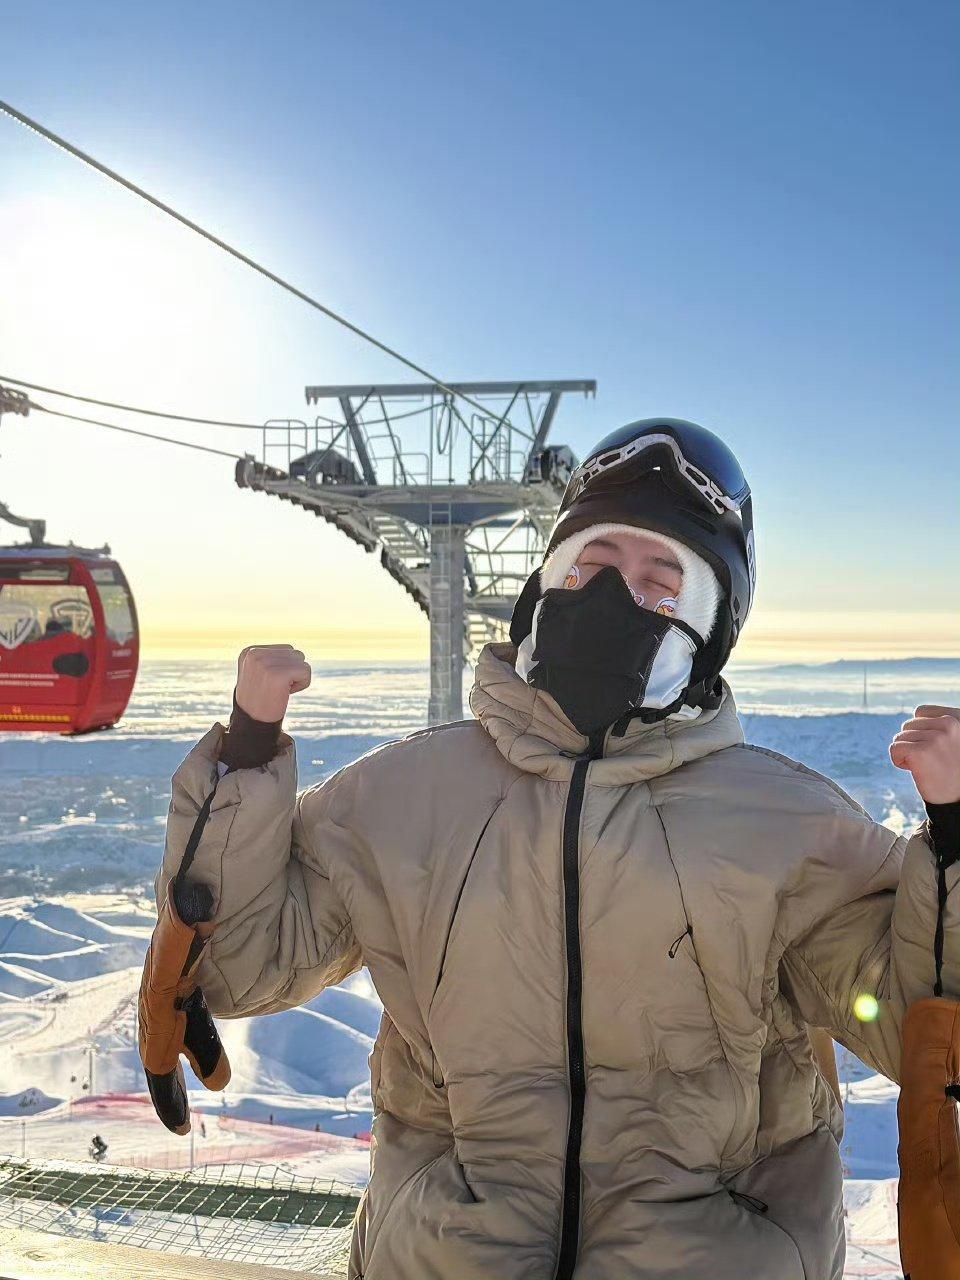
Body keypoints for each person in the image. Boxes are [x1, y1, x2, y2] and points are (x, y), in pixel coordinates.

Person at [153, 418, 960, 1280]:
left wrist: (955, 843)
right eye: (592, 562)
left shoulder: (786, 827)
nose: (614, 594)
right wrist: (245, 760)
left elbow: (921, 1028)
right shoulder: (404, 797)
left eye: (660, 582)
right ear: (545, 586)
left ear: (709, 627)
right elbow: (246, 968)